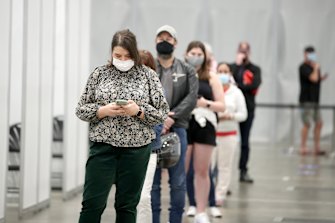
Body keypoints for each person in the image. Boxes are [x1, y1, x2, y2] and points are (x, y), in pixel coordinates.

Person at [75, 29, 169, 223]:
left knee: (127, 206)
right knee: (92, 203)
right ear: (111, 53)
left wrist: (139, 111)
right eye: (118, 55)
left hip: (136, 151)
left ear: (134, 54)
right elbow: (81, 109)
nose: (122, 59)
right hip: (102, 149)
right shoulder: (99, 74)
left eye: (127, 56)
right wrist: (102, 111)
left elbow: (162, 112)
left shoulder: (148, 76)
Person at [151, 25, 199, 223]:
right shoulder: (149, 68)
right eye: (160, 37)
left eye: (168, 38)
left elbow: (192, 97)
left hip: (178, 129)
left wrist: (172, 117)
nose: (164, 41)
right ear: (155, 41)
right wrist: (159, 118)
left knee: (178, 182)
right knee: (152, 183)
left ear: (175, 43)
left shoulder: (187, 70)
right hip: (151, 128)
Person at [184, 40, 225, 223]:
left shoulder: (211, 76)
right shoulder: (180, 74)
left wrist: (205, 103)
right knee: (181, 170)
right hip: (184, 122)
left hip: (205, 123)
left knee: (202, 170)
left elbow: (221, 105)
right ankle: (186, 205)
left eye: (199, 54)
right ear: (186, 54)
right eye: (192, 53)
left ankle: (202, 211)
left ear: (205, 57)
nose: (196, 57)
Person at [213, 62, 247, 206]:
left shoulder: (236, 92)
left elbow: (243, 115)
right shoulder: (212, 89)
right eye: (220, 71)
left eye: (225, 71)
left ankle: (220, 195)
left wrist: (231, 116)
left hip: (229, 135)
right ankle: (206, 194)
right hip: (211, 135)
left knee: (225, 167)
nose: (222, 74)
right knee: (207, 167)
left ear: (230, 74)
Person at [136, 49, 163, 223]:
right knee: (128, 198)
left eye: (146, 67)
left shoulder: (157, 92)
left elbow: (158, 125)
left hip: (149, 150)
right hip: (126, 151)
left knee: (144, 197)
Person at [230, 41, 261, 184]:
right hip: (230, 109)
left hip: (247, 109)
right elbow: (229, 82)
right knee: (225, 141)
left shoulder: (255, 69)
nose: (243, 53)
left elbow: (253, 86)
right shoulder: (232, 67)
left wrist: (238, 85)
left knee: (245, 142)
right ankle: (223, 173)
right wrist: (237, 66)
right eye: (241, 50)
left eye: (245, 50)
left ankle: (243, 170)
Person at [299, 46, 328, 156]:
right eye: (309, 53)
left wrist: (321, 76)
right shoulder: (303, 67)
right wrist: (316, 68)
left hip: (315, 100)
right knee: (307, 124)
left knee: (319, 123)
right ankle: (303, 147)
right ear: (305, 54)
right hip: (306, 100)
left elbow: (318, 80)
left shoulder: (315, 67)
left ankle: (317, 147)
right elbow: (313, 78)